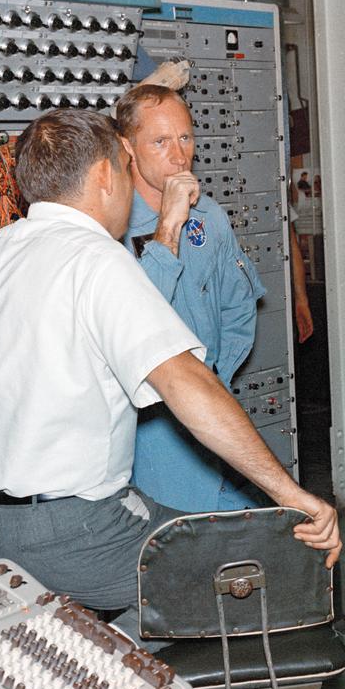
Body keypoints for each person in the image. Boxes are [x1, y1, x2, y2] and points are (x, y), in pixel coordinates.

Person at [0, 109, 340, 616]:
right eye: (125, 168)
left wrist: (8, 404)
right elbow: (187, 382)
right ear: (104, 175)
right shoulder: (98, 260)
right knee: (268, 568)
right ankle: (146, 683)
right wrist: (290, 494)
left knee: (177, 527)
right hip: (76, 535)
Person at [114, 84, 266, 514]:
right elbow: (132, 322)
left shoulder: (210, 218)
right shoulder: (112, 225)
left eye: (185, 138)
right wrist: (168, 225)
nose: (179, 156)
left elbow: (239, 308)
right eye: (160, 142)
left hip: (206, 399)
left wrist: (214, 377)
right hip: (147, 419)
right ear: (127, 147)